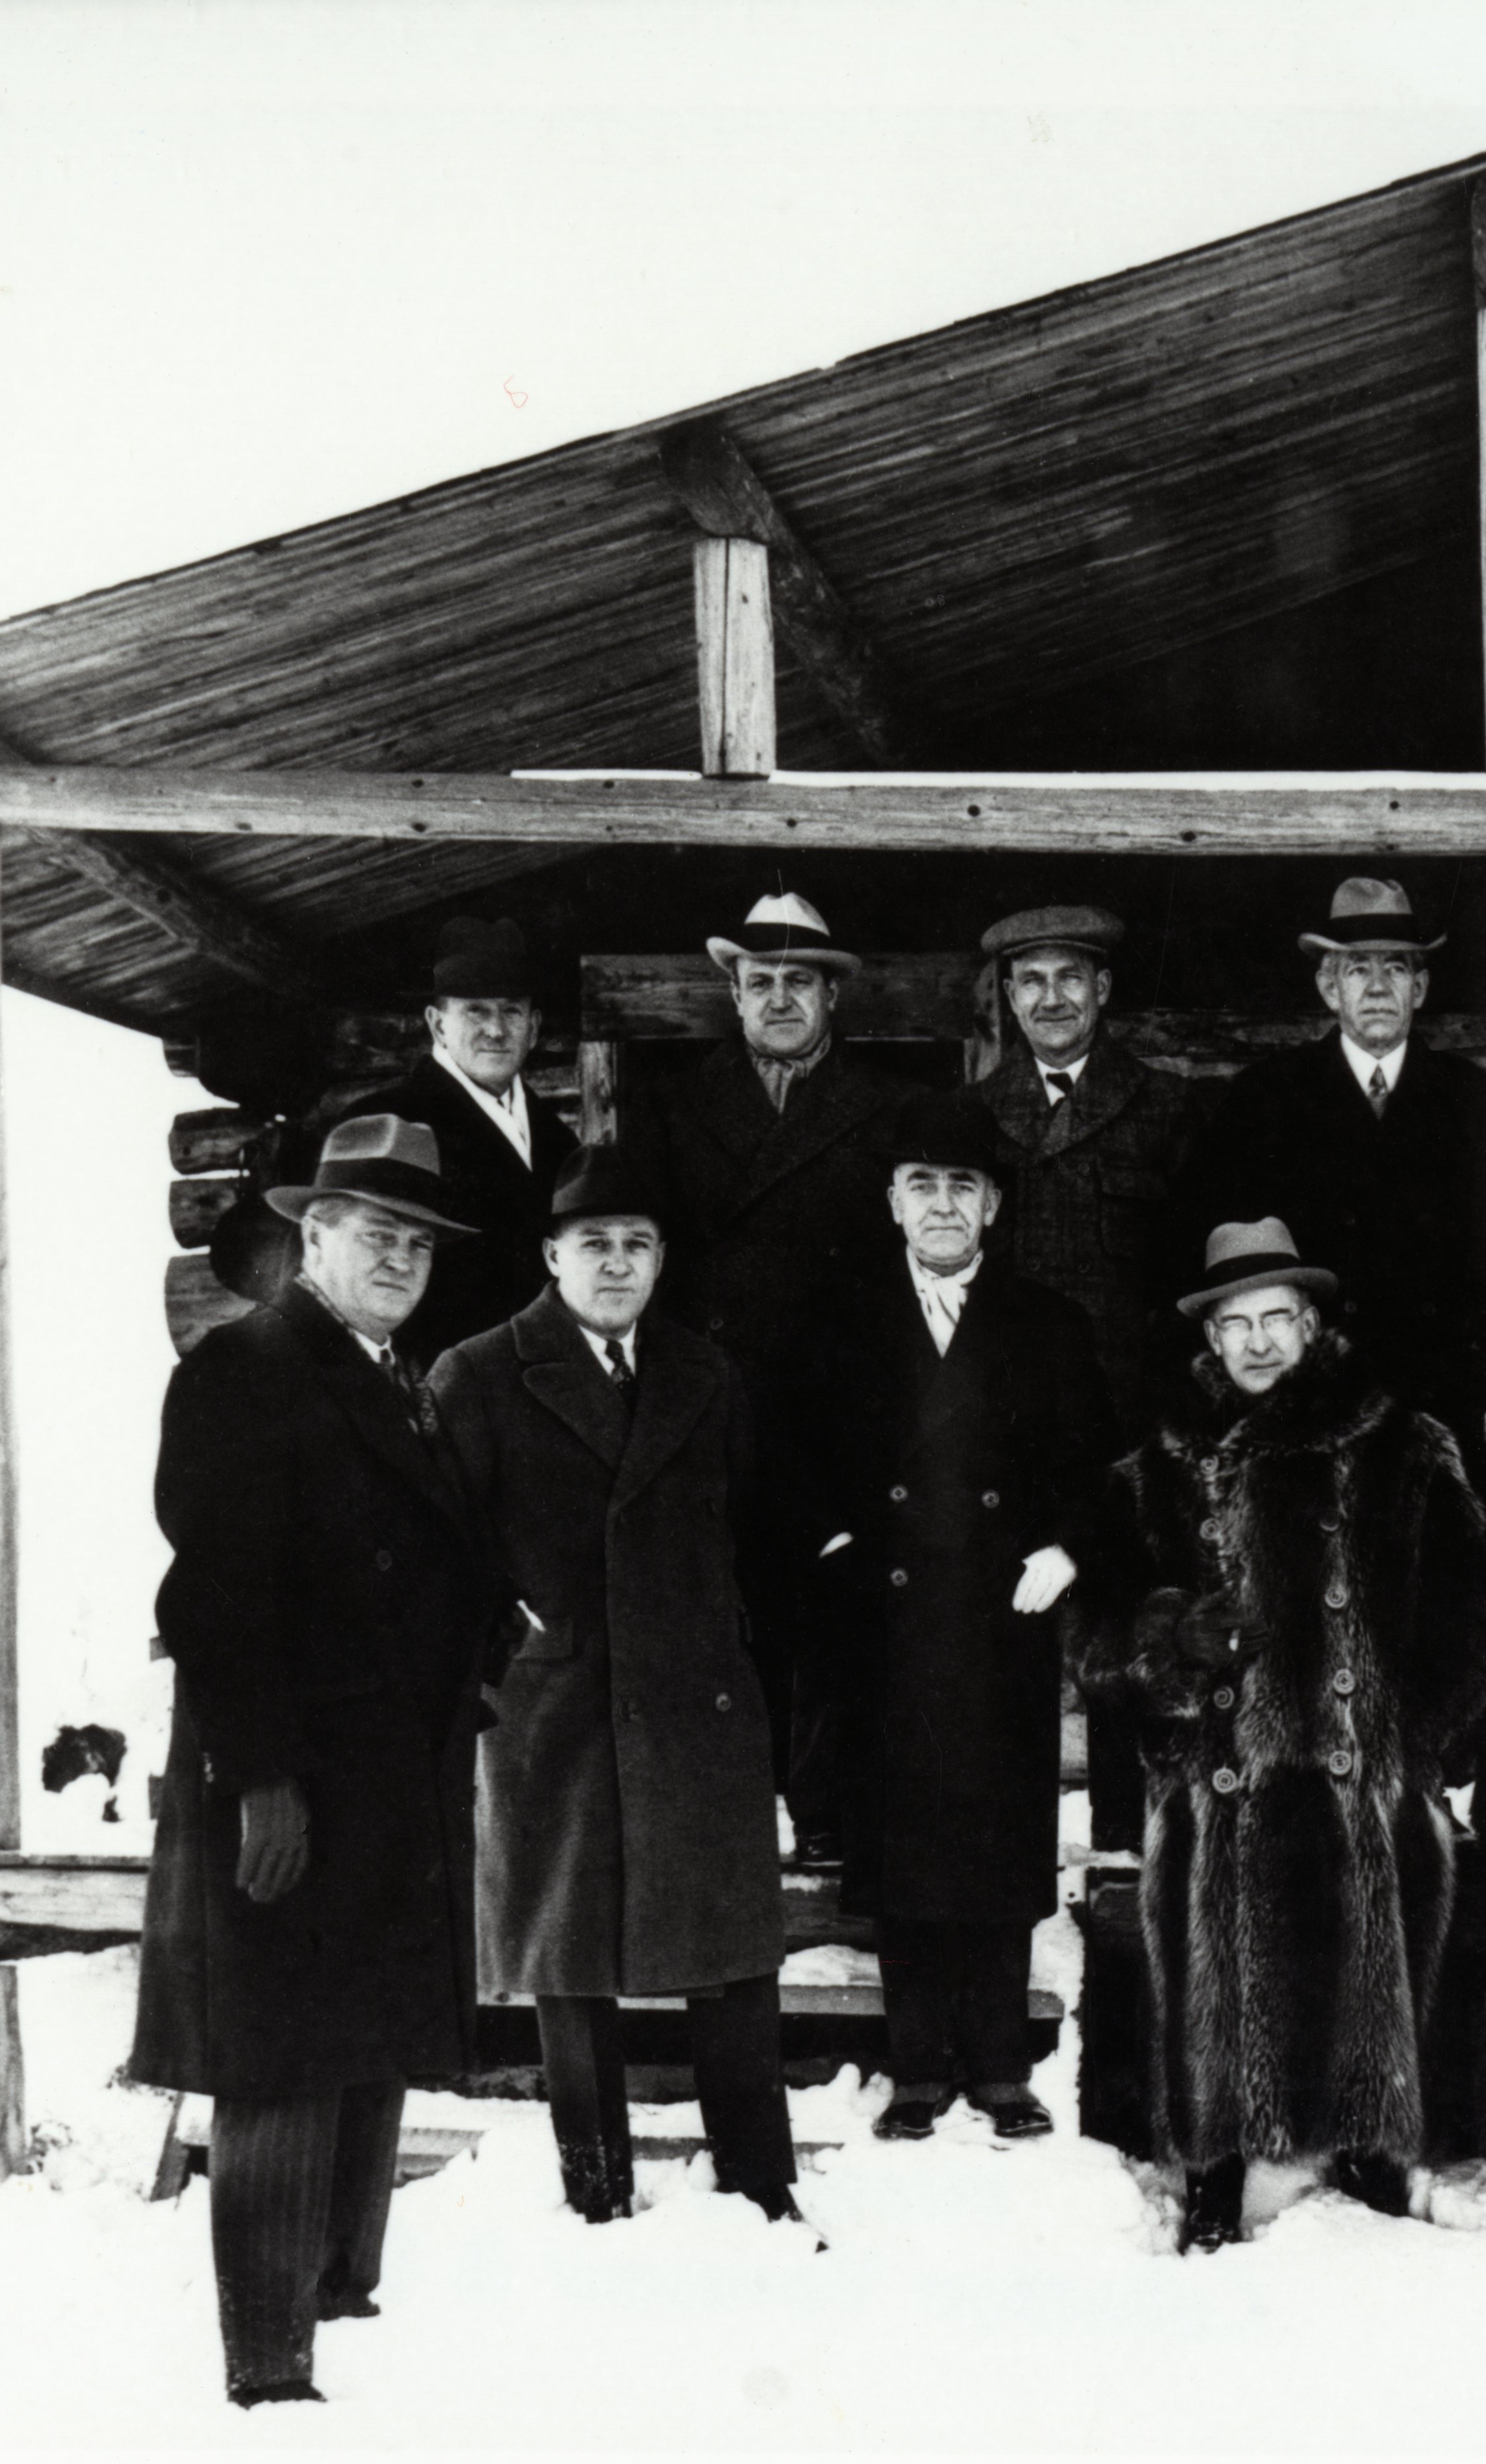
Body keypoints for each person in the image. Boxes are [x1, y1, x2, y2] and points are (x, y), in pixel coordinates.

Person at [128, 1116, 498, 2407]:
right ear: (312, 1236)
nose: (400, 1255)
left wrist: (481, 1656)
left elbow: (424, 1554)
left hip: (386, 1767)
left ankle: (343, 2294)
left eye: (419, 1238)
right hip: (284, 1775)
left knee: (365, 2037)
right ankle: (268, 2361)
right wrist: (264, 1775)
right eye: (372, 1231)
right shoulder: (247, 1366)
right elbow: (215, 1597)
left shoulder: (394, 1372)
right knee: (278, 2052)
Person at [1081, 1219, 1486, 2252]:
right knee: (1218, 1982)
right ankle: (1217, 2172)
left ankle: (1366, 2147)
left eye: (1282, 1318)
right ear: (1211, 1340)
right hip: (1219, 1778)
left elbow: (1479, 1605)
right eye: (1240, 1324)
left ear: (1315, 1327)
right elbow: (1095, 1640)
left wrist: (1421, 1740)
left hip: (1360, 1770)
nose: (1262, 1341)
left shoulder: (1400, 1445)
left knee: (1369, 1965)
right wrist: (1168, 1643)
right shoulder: (1156, 1469)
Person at [425, 1148, 799, 2228]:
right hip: (559, 1700)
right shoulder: (480, 1372)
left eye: (638, 1244)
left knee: (729, 1947)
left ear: (663, 1260)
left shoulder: (701, 1371)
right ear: (552, 1256)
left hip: (695, 1698)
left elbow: (745, 1527)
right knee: (569, 1949)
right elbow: (446, 1548)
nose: (618, 1263)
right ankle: (595, 2185)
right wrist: (509, 1634)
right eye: (595, 1243)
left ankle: (758, 2181)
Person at [788, 1090, 1115, 2143]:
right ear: (892, 1203)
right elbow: (791, 1463)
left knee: (995, 1833)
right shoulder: (840, 1318)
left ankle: (999, 2065)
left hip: (999, 1614)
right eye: (922, 1185)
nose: (942, 1205)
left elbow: (1096, 1463)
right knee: (902, 1835)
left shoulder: (1047, 1324)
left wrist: (1066, 1547)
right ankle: (917, 2061)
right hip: (884, 1619)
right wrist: (834, 1544)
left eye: (961, 1188)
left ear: (992, 1207)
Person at [633, 891, 916, 1853]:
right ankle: (733, 1817)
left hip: (843, 1404)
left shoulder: (888, 1107)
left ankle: (828, 1814)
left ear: (833, 995)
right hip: (715, 1395)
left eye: (801, 980)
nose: (780, 998)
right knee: (725, 1605)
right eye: (761, 982)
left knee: (837, 1607)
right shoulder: (674, 1105)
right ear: (735, 993)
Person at [1183, 876, 1486, 1456]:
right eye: (1358, 969)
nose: (1378, 987)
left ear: (1421, 986)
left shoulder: (1476, 1100)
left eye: (1397, 968)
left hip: (1434, 1397)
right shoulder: (1266, 1098)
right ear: (1329, 988)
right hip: (1309, 1401)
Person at [966, 902, 1210, 1435]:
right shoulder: (972, 1113)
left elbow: (1191, 1281)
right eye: (1031, 981)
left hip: (1131, 1410)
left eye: (1069, 978)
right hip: (1007, 1410)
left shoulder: (1170, 1107)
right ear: (1010, 996)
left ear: (1101, 988)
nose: (1051, 999)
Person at [361, 914, 584, 1368]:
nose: (496, 1029)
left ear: (534, 1026)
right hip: (434, 1392)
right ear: (438, 1024)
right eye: (475, 1010)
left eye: (511, 1010)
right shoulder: (387, 1124)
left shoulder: (559, 1142)